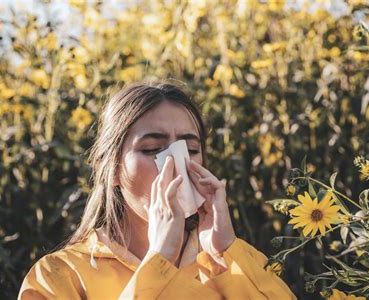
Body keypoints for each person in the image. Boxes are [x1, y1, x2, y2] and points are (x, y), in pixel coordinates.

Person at [18, 80, 296, 299]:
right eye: (152, 150)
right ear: (112, 169)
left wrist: (226, 249)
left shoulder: (232, 260)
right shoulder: (58, 276)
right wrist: (159, 258)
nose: (175, 163)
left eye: (190, 149)